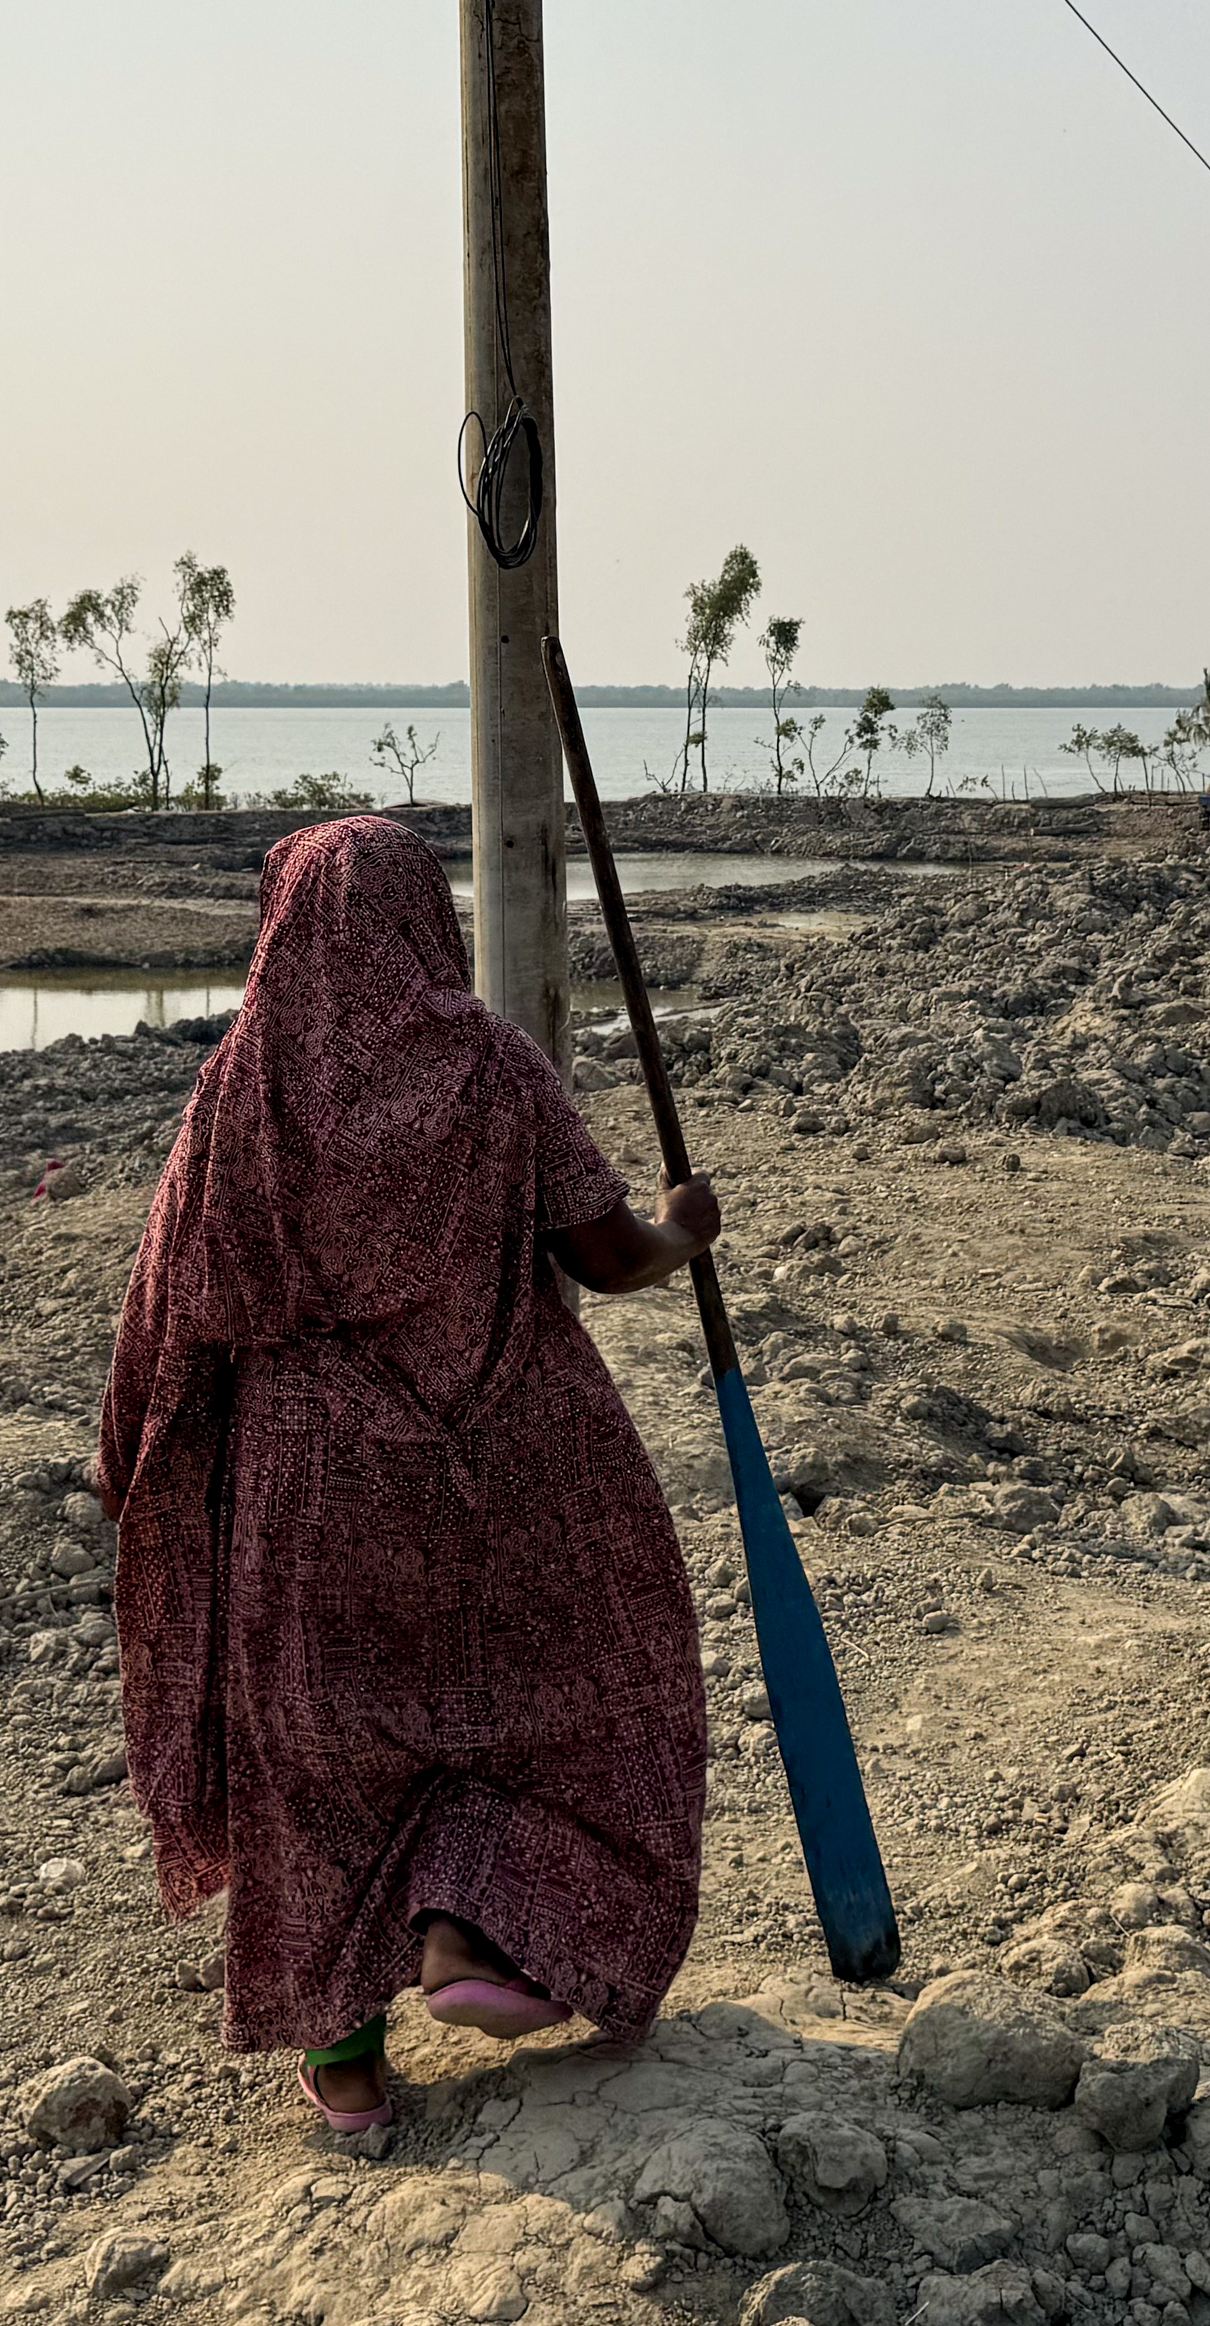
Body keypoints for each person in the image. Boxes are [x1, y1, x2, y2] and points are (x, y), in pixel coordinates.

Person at [99, 815, 721, 2132]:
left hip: (313, 1498)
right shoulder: (492, 1065)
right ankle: (476, 1935)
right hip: (508, 1464)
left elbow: (172, 1299)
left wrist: (143, 1459)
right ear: (419, 918)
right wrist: (682, 1233)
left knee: (327, 1765)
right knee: (566, 1707)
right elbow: (606, 1257)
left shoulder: (241, 1086)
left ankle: (349, 2074)